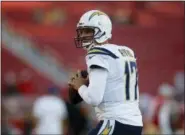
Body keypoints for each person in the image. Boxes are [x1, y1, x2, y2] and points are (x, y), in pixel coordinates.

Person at [69, 10, 143, 135]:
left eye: (88, 31)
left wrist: (79, 86)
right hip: (134, 123)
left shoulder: (98, 54)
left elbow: (94, 98)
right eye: (81, 32)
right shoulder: (127, 51)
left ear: (102, 30)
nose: (82, 36)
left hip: (115, 121)